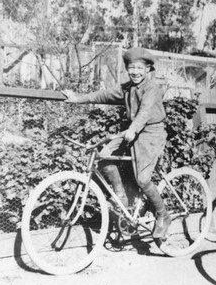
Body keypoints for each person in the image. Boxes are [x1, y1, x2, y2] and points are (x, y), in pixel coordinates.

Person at [62, 47, 171, 239]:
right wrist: (78, 99)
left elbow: (145, 112)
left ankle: (163, 215)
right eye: (131, 68)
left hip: (151, 134)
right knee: (103, 156)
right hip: (133, 131)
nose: (135, 72)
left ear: (147, 69)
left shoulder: (152, 88)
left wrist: (133, 129)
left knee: (143, 180)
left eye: (139, 68)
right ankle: (120, 196)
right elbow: (102, 95)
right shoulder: (127, 88)